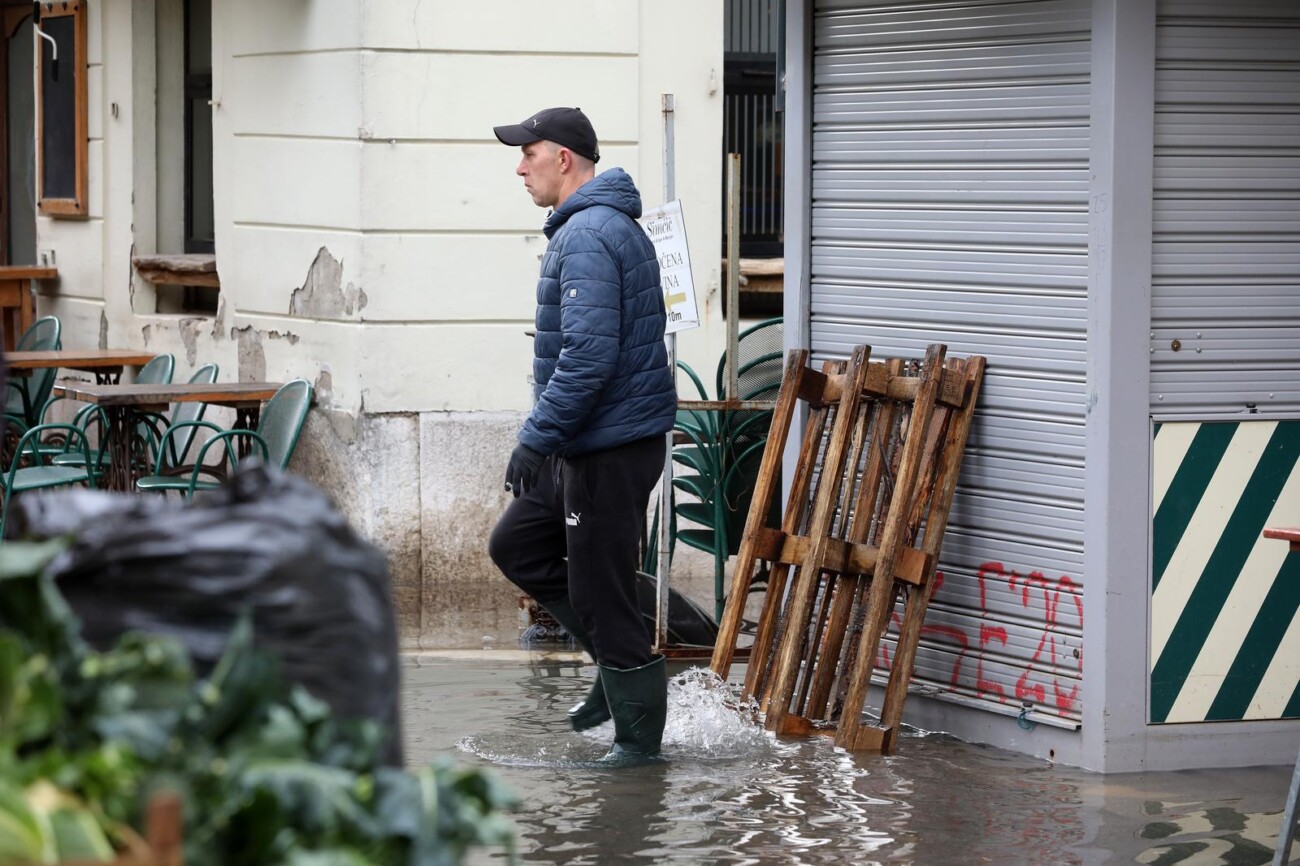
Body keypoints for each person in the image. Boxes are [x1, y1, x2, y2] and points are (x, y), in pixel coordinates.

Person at [487, 107, 677, 764]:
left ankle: (637, 743)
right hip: (592, 441)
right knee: (518, 542)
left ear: (563, 158)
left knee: (603, 592)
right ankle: (614, 670)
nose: (519, 167)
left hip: (605, 446)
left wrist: (537, 436)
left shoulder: (590, 234)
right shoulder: (589, 229)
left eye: (528, 153)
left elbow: (588, 357)